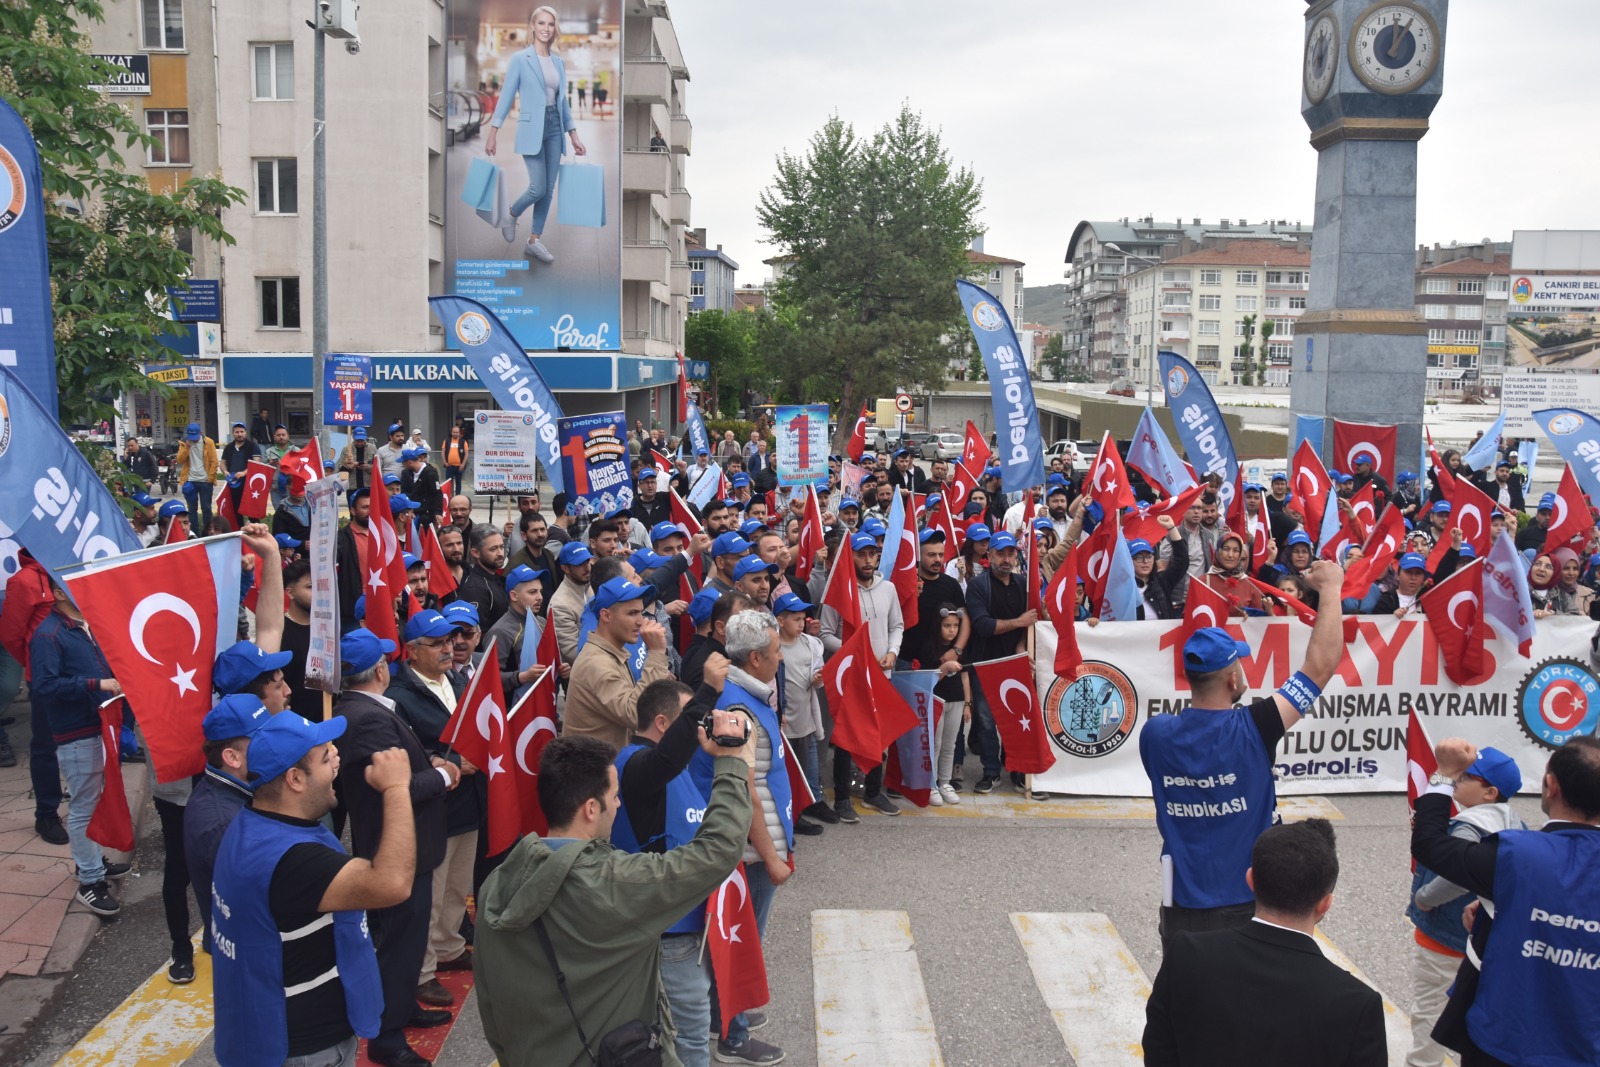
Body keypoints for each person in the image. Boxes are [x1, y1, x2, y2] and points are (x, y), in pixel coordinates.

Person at [475, 709, 755, 1067]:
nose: (619, 804)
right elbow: (717, 852)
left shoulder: (496, 884)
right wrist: (731, 759)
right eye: (615, 796)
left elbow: (490, 1003)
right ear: (591, 808)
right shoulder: (614, 883)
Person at [1139, 560, 1345, 948]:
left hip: (1180, 906)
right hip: (1249, 905)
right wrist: (1331, 588)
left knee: (1188, 1004)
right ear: (1233, 679)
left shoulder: (1156, 733)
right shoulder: (1256, 726)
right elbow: (1320, 667)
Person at [209, 713, 416, 1067]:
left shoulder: (254, 823)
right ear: (295, 779)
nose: (337, 760)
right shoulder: (294, 861)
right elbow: (392, 882)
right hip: (308, 1049)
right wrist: (397, 788)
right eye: (325, 757)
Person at [1412, 735, 1600, 1067]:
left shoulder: (1517, 854)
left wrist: (1444, 774)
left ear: (1550, 786)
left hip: (1503, 1044)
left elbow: (1430, 845)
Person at [1141, 819, 1386, 1067]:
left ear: (1251, 880)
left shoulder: (1186, 955)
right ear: (1325, 904)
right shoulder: (1358, 1005)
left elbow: (1159, 1053)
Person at [334, 627, 462, 1057]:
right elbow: (396, 786)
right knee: (399, 945)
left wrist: (427, 760)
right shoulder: (367, 717)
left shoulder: (359, 709)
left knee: (405, 943)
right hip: (398, 848)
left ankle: (402, 1007)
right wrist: (442, 776)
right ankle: (387, 1038)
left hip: (402, 844)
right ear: (377, 671)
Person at [612, 673, 728, 1067]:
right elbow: (663, 760)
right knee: (688, 1039)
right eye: (691, 721)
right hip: (670, 932)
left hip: (689, 921)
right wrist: (708, 690)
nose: (700, 729)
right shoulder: (639, 766)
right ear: (664, 724)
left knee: (684, 1034)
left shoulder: (677, 766)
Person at [384, 610, 479, 1039]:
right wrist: (458, 763)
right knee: (432, 891)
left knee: (458, 885)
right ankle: (421, 970)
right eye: (437, 642)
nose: (448, 648)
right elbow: (412, 751)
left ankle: (448, 947)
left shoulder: (457, 680)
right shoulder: (401, 695)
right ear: (412, 650)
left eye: (451, 640)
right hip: (433, 806)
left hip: (467, 804)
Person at [1405, 748, 1525, 1067]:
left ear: (1490, 792)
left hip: (1443, 942)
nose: (1458, 779)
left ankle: (1422, 1064)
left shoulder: (1469, 826)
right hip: (1482, 941)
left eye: (1468, 776)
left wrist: (1424, 898)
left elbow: (1456, 877)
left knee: (1430, 1011)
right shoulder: (1515, 823)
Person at [29, 582, 130, 916]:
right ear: (58, 594)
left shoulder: (83, 626)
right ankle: (90, 881)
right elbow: (44, 685)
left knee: (94, 799)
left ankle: (92, 862)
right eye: (75, 588)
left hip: (97, 725)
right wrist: (96, 684)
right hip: (77, 732)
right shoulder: (49, 634)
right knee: (85, 805)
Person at [483, 5, 588, 263]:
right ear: (532, 26)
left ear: (555, 29)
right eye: (541, 23)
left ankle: (534, 240)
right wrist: (493, 132)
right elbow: (507, 97)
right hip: (531, 127)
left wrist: (573, 134)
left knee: (549, 189)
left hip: (554, 126)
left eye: (550, 24)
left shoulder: (559, 63)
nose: (546, 29)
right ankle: (511, 213)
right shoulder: (520, 59)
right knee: (537, 187)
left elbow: (562, 103)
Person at [821, 532, 905, 820]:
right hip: (852, 677)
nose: (868, 560)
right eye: (861, 554)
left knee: (878, 736)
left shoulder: (889, 589)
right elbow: (824, 634)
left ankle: (872, 793)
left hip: (882, 675)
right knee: (846, 738)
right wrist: (852, 652)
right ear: (851, 556)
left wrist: (892, 652)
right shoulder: (839, 591)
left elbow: (897, 626)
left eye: (872, 554)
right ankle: (842, 798)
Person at [963, 531, 1036, 796]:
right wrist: (1019, 622)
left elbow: (1032, 625)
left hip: (1014, 664)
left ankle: (1017, 770)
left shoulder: (1023, 583)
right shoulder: (978, 585)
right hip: (984, 664)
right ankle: (991, 772)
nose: (1006, 559)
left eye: (1011, 553)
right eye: (1001, 553)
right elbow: (982, 626)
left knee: (1018, 720)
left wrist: (1021, 647)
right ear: (989, 555)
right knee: (985, 721)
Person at [564, 577, 672, 750]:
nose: (640, 621)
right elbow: (638, 714)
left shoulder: (609, 652)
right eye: (632, 613)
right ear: (606, 615)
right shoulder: (596, 663)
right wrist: (656, 654)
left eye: (640, 613)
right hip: (594, 773)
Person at [776, 591, 833, 829]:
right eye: (796, 620)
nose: (802, 624)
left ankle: (815, 799)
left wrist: (818, 679)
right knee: (789, 766)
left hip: (807, 716)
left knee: (810, 759)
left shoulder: (811, 644)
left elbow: (816, 672)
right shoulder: (773, 646)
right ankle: (794, 810)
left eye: (803, 619)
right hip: (786, 720)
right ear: (780, 620)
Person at [457, 525, 511, 634]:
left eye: (501, 547)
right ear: (475, 553)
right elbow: (480, 634)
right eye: (493, 549)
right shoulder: (476, 589)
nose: (500, 553)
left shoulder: (497, 579)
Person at [175, 421, 224, 537]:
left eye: (195, 437)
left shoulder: (209, 442)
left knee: (206, 508)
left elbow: (214, 461)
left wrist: (210, 478)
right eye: (191, 437)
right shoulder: (184, 443)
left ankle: (208, 533)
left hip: (205, 481)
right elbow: (179, 460)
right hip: (190, 481)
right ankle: (194, 534)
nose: (194, 440)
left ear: (201, 433)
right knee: (192, 509)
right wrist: (187, 447)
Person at [549, 541, 595, 664]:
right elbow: (573, 652)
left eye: (587, 561)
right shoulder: (559, 605)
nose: (587, 568)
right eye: (580, 564)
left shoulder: (590, 586)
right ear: (565, 569)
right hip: (584, 672)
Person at [221, 421, 262, 514]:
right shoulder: (228, 447)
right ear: (233, 433)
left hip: (250, 484)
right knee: (235, 511)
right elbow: (223, 463)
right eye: (237, 432)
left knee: (252, 512)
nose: (239, 434)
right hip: (233, 483)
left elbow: (257, 463)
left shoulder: (253, 446)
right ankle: (239, 528)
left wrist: (244, 473)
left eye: (241, 431)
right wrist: (225, 471)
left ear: (245, 432)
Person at [340, 426, 374, 491]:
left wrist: (367, 467)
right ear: (353, 437)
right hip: (352, 487)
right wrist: (348, 466)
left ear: (366, 438)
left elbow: (377, 467)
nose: (360, 443)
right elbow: (341, 472)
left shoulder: (372, 448)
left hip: (368, 485)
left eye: (362, 440)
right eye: (357, 441)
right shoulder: (346, 450)